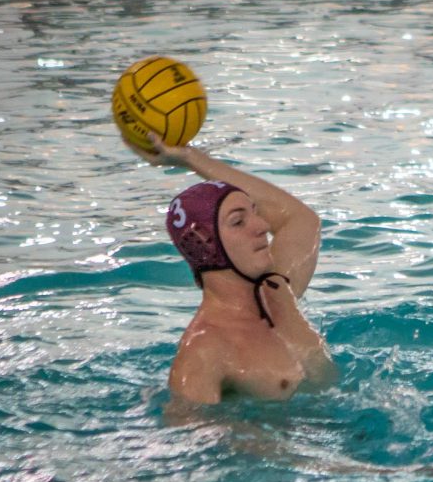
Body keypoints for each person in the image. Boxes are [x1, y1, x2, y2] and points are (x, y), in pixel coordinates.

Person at [126, 133, 334, 404]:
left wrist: (191, 157)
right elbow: (188, 439)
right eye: (238, 222)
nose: (261, 227)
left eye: (255, 213)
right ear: (205, 244)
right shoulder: (205, 351)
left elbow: (301, 220)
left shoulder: (278, 291)